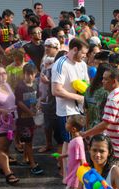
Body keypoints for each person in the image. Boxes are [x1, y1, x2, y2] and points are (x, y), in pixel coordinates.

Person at [51, 38, 89, 180]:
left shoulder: (82, 64)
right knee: (68, 142)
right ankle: (67, 176)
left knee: (78, 141)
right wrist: (78, 97)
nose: (85, 56)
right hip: (66, 110)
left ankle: (77, 172)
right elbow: (56, 90)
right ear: (74, 50)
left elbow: (86, 84)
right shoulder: (60, 64)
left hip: (80, 109)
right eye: (83, 53)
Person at [56, 115, 86, 189]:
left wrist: (83, 176)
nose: (65, 124)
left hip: (75, 178)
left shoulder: (77, 141)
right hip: (73, 176)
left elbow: (83, 160)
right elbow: (74, 154)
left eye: (67, 123)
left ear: (73, 128)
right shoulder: (74, 140)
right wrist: (62, 156)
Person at [15, 63, 43, 175]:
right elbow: (19, 102)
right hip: (23, 118)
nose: (30, 77)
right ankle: (32, 164)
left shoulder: (36, 84)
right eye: (28, 74)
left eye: (32, 74)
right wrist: (29, 111)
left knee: (29, 139)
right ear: (24, 74)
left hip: (32, 117)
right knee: (28, 142)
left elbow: (39, 96)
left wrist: (38, 105)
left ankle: (25, 158)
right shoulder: (20, 86)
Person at [38, 38, 60, 153]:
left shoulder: (59, 61)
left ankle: (60, 145)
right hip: (45, 96)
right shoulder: (45, 59)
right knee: (46, 123)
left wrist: (48, 82)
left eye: (49, 46)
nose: (46, 48)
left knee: (56, 123)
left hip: (55, 97)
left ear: (56, 48)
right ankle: (48, 144)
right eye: (45, 46)